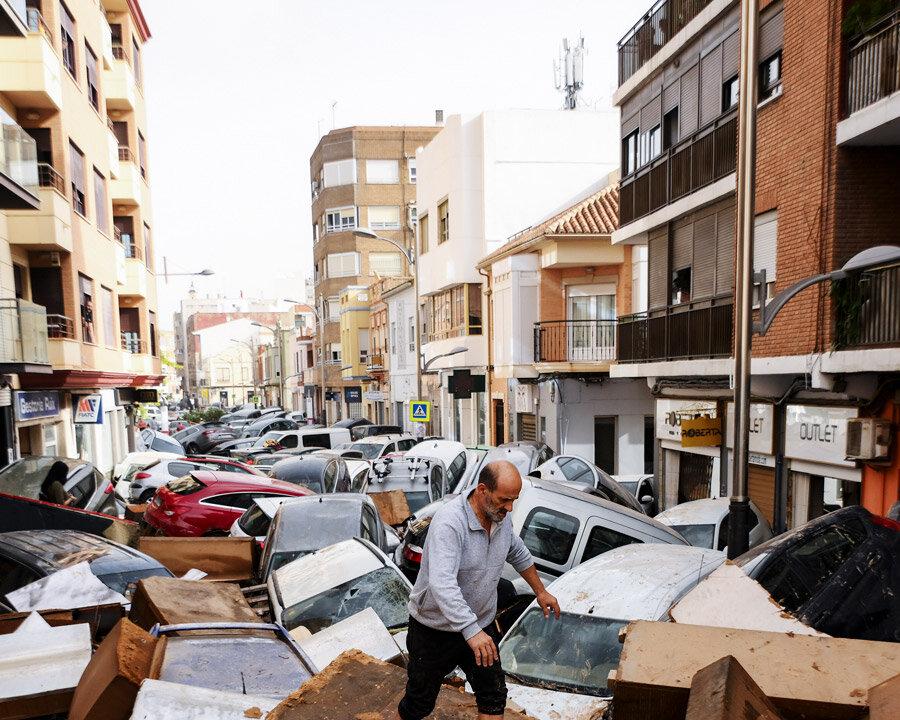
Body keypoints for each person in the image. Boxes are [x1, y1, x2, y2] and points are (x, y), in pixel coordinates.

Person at [397, 460, 560, 720]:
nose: (510, 508)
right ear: (482, 490)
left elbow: (517, 552)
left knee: (493, 697)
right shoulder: (450, 523)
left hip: (480, 626)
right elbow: (442, 584)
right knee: (419, 703)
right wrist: (471, 631)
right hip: (433, 630)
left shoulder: (500, 517)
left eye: (514, 500)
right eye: (504, 500)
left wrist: (541, 591)